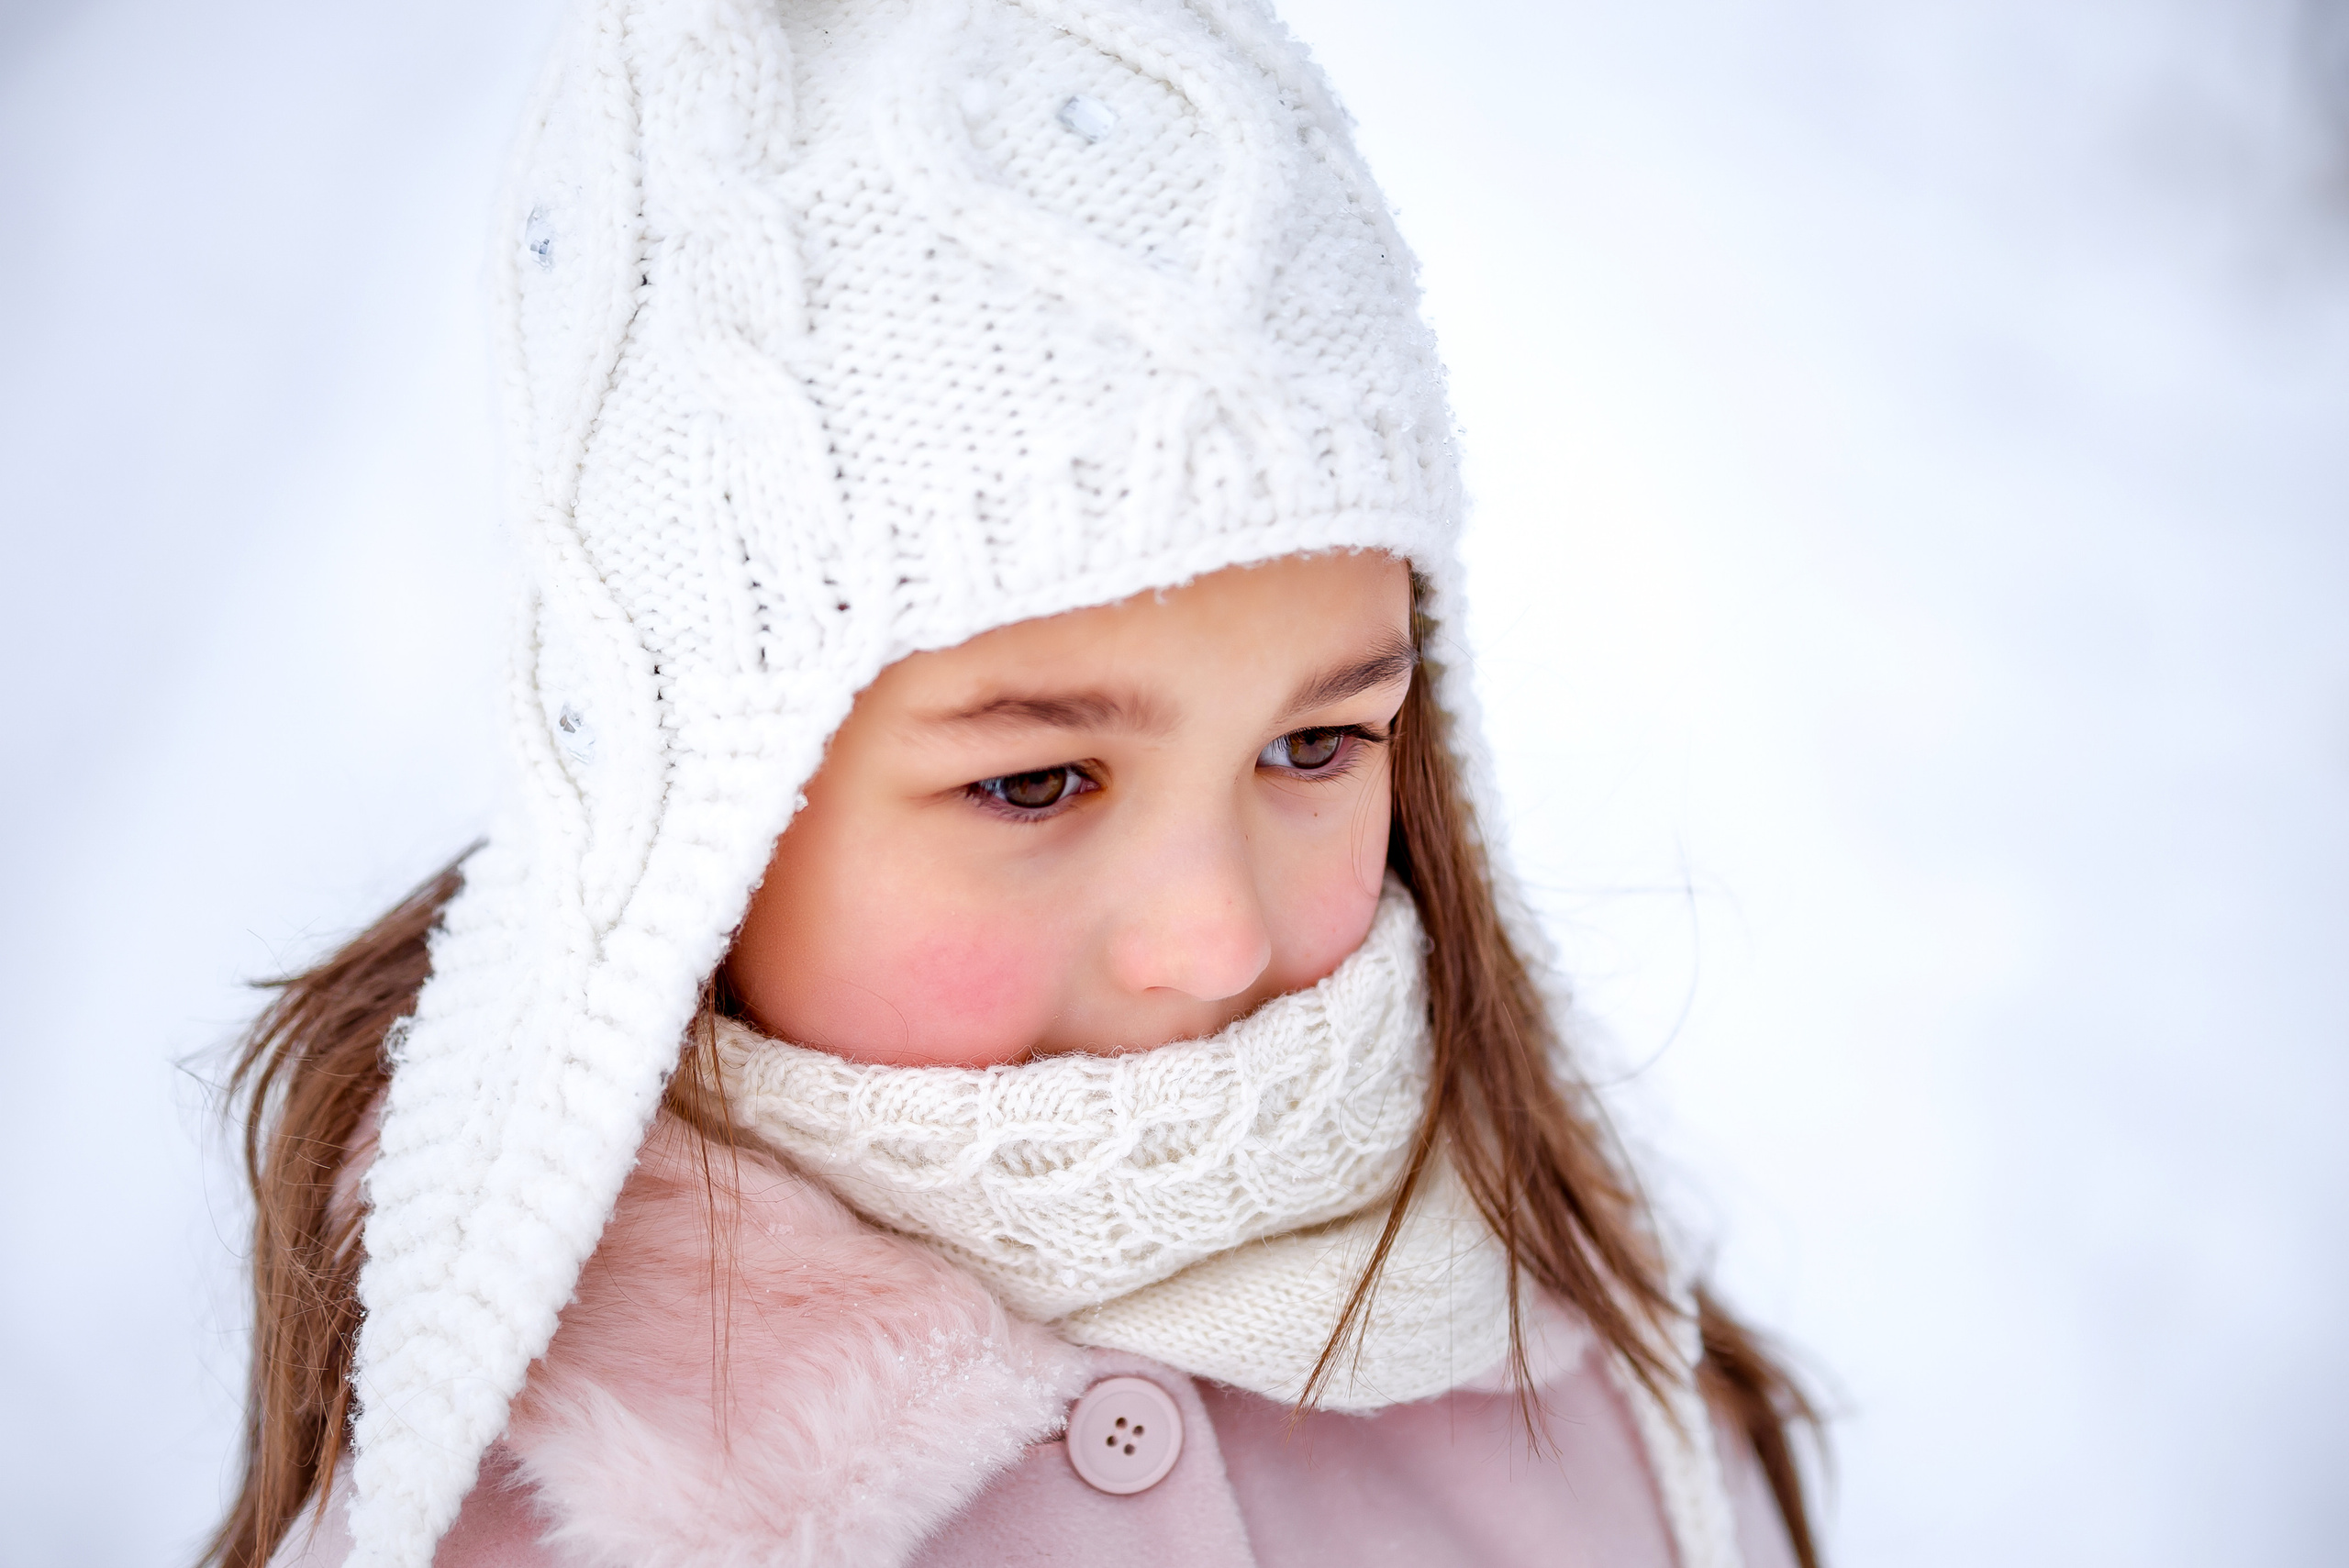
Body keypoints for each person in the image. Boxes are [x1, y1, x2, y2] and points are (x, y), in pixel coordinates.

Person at [207, 1, 1822, 1564]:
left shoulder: (1569, 1345)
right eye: (1040, 781)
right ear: (696, 823)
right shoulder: (534, 1512)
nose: (1213, 939)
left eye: (1316, 745)